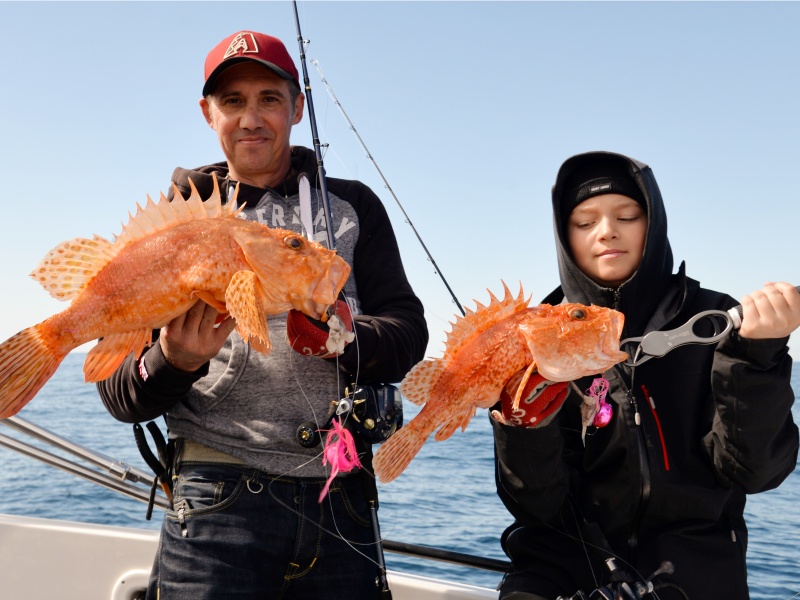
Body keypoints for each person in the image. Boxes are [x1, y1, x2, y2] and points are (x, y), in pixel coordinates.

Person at [97, 30, 428, 600]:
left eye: (269, 99)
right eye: (233, 101)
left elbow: (408, 332)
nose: (251, 117)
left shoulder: (352, 209)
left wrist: (345, 337)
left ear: (297, 107)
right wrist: (173, 362)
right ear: (208, 113)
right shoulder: (173, 229)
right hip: (214, 503)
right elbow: (121, 394)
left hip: (339, 496)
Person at [491, 151, 800, 600]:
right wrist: (522, 424)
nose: (607, 231)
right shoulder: (537, 334)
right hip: (563, 571)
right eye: (584, 222)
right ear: (564, 236)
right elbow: (537, 506)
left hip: (693, 575)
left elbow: (756, 472)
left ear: (651, 224)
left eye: (627, 215)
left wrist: (756, 355)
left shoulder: (713, 319)